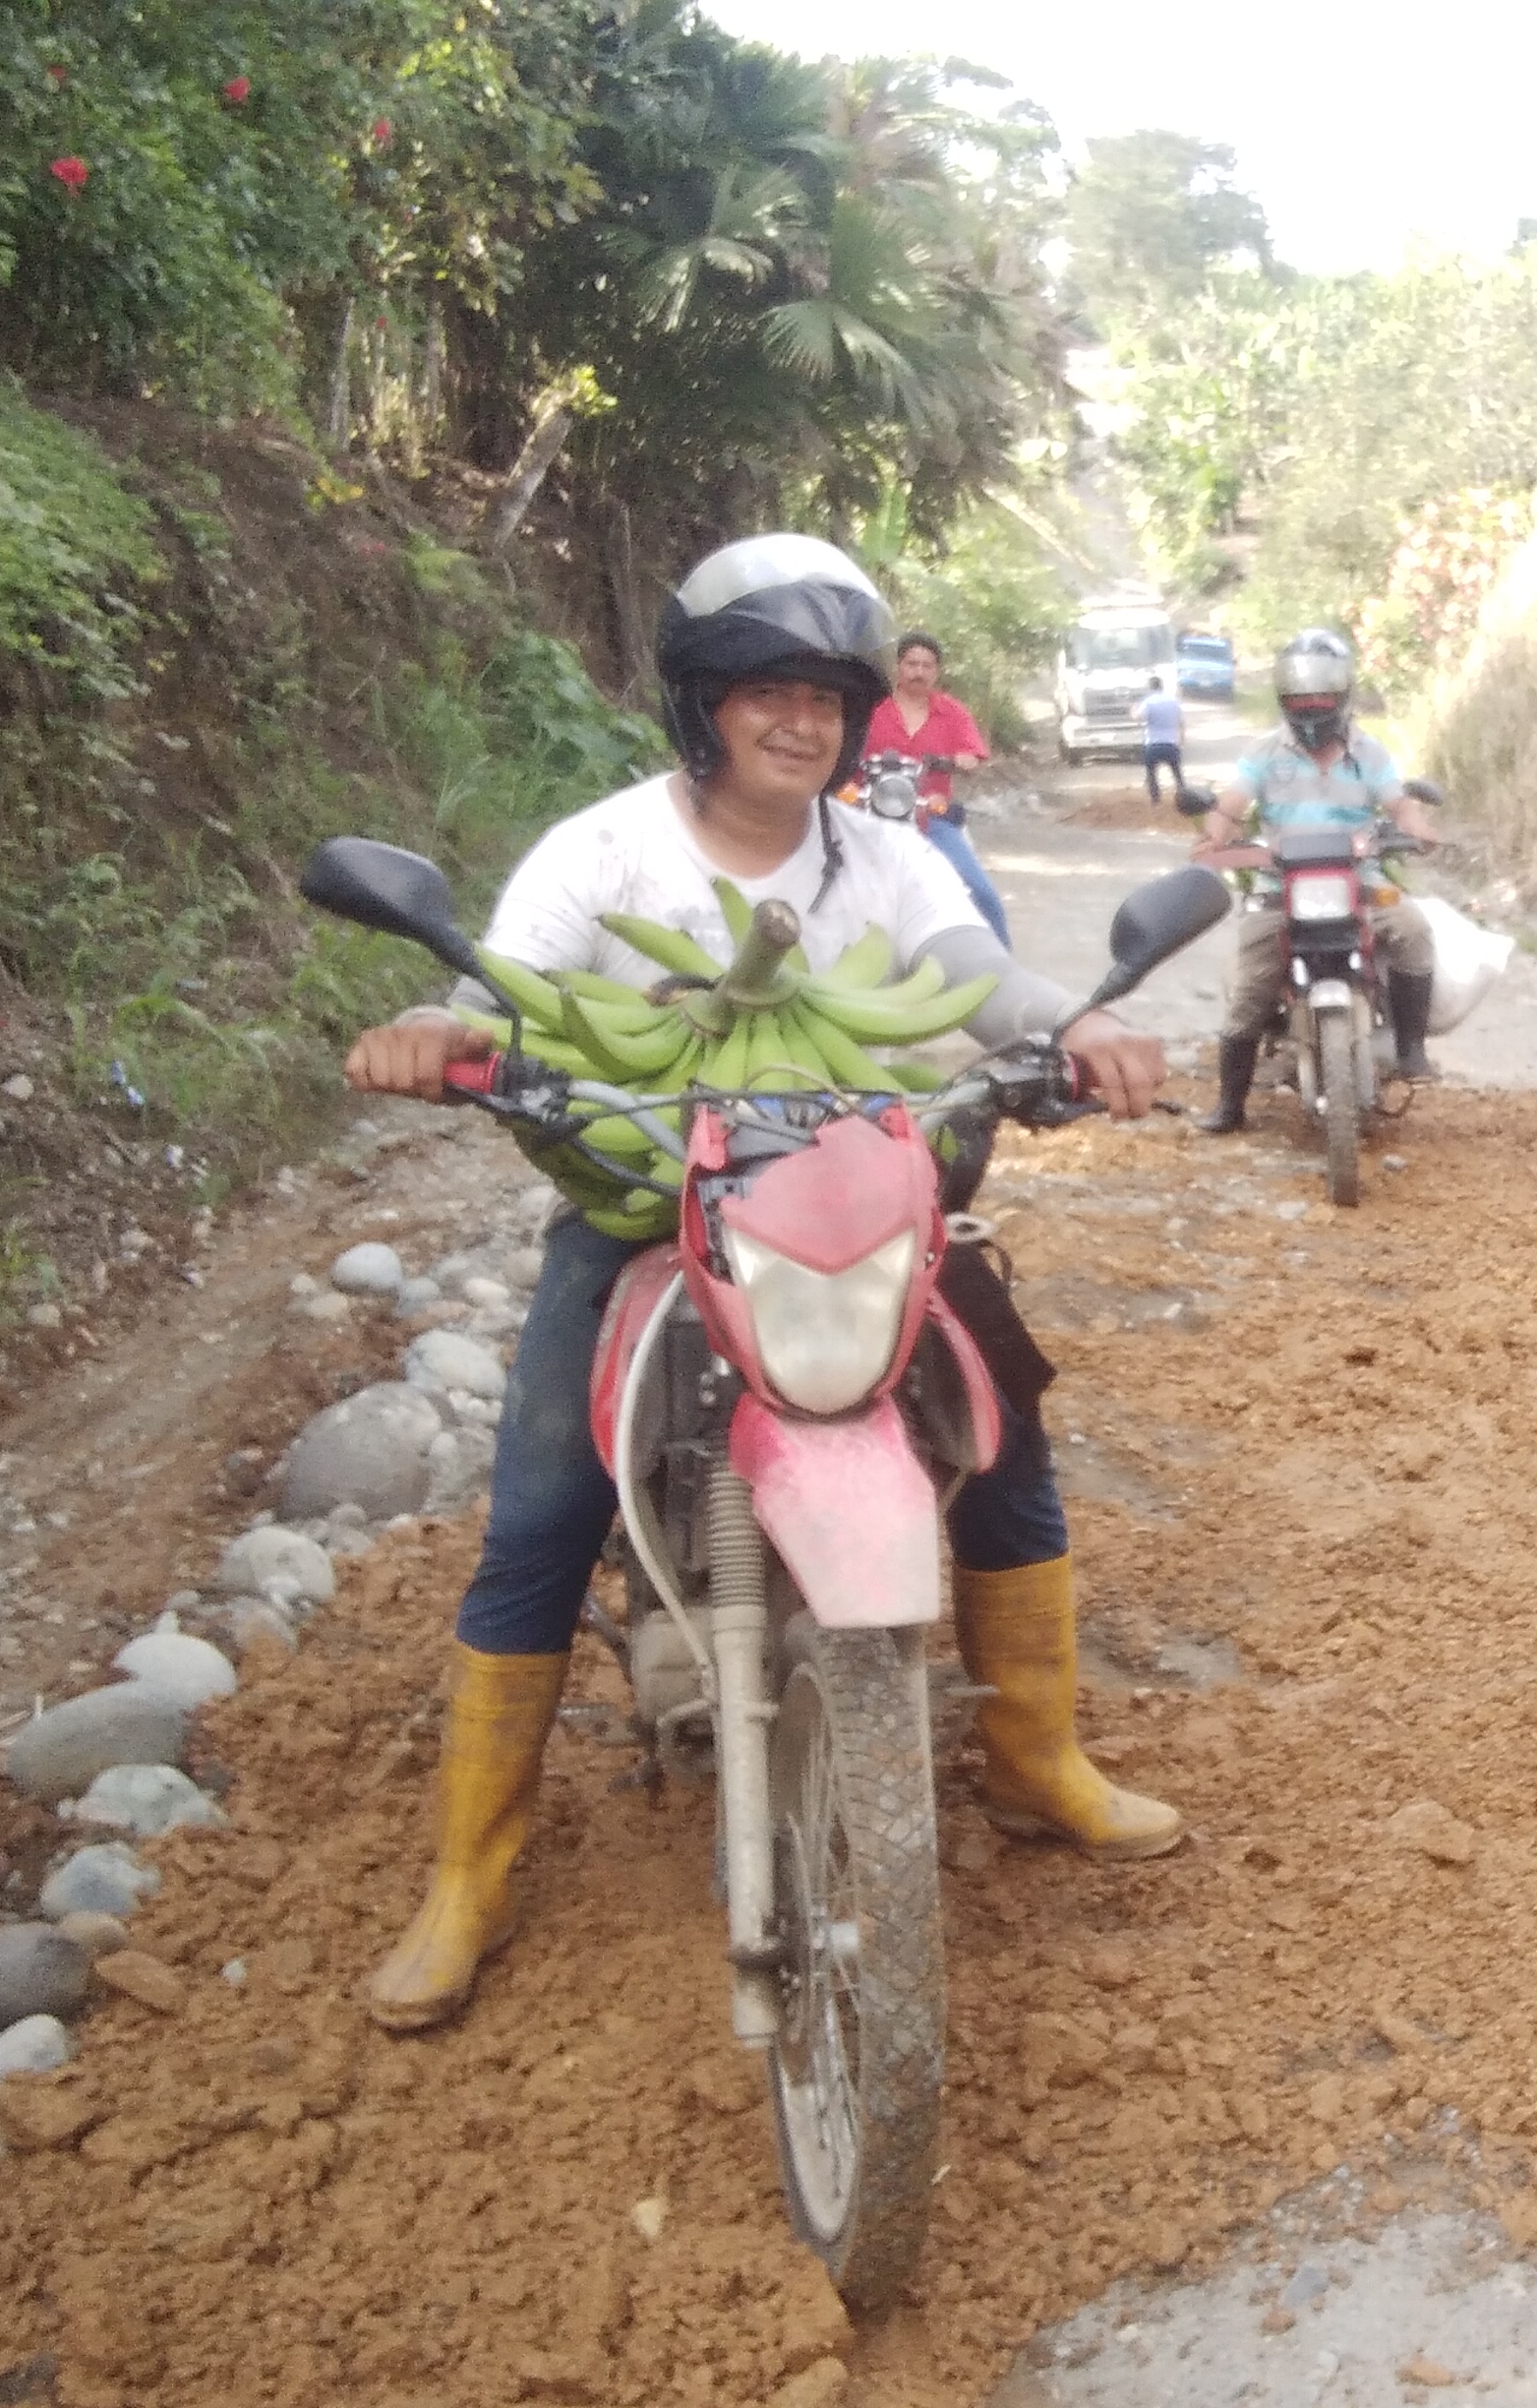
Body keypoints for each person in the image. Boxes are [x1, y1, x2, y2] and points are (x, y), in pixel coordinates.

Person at [340, 534, 1182, 2036]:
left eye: (827, 700)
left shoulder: (886, 857)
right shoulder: (605, 852)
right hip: (646, 1208)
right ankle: (468, 1877)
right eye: (766, 693)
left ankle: (1037, 1760)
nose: (801, 723)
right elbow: (498, 988)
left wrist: (1080, 1027)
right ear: (703, 705)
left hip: (854, 1208)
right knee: (540, 1511)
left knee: (1006, 1447)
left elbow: (977, 974)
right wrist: (440, 1030)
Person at [1194, 627, 1442, 1131]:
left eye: (1322, 695)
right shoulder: (1264, 752)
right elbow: (1232, 804)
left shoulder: (1370, 753)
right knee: (1249, 987)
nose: (1311, 705)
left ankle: (1412, 1049)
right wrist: (1214, 835)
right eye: (1300, 696)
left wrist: (1417, 827)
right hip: (1279, 888)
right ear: (1284, 696)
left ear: (1343, 693)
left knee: (1413, 931)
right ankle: (1230, 1105)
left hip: (1359, 880)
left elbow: (1398, 802)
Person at [875, 629, 1007, 943]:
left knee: (981, 893)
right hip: (870, 817)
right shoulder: (870, 709)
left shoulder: (952, 712)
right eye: (912, 664)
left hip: (930, 818)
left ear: (937, 672)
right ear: (898, 667)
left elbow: (973, 755)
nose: (918, 672)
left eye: (927, 665)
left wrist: (964, 760)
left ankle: (1000, 966)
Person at [1139, 674, 1185, 813]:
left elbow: (1139, 717)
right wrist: (1181, 740)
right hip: (1171, 743)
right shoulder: (1174, 701)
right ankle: (1184, 798)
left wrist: (1132, 711)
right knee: (1177, 773)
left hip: (1153, 744)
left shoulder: (1148, 702)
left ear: (1150, 687)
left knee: (1151, 773)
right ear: (1162, 686)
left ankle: (1156, 801)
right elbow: (1181, 722)